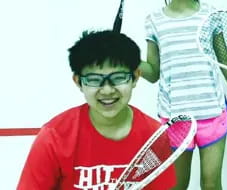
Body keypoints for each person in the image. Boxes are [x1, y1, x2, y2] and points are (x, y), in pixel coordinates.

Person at [139, 0, 227, 190]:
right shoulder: (154, 21)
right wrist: (129, 61)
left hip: (212, 113)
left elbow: (225, 62)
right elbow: (153, 73)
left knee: (211, 185)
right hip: (176, 117)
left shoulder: (211, 15)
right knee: (177, 186)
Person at [17, 30, 176, 190]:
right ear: (78, 82)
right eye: (94, 80)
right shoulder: (54, 137)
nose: (107, 90)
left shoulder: (154, 138)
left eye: (118, 77)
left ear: (135, 77)